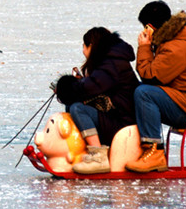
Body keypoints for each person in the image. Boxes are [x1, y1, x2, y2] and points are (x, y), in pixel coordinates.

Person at [125, 0, 186, 173]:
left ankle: (154, 153)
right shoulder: (175, 41)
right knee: (140, 91)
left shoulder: (176, 47)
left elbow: (151, 77)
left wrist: (145, 47)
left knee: (144, 93)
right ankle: (146, 149)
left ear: (150, 27)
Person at [53, 27, 139, 174]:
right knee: (74, 105)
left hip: (123, 121)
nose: (83, 50)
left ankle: (98, 157)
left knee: (77, 108)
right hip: (115, 116)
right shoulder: (110, 61)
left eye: (83, 46)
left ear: (91, 46)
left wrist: (67, 87)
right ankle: (82, 150)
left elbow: (89, 88)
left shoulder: (110, 64)